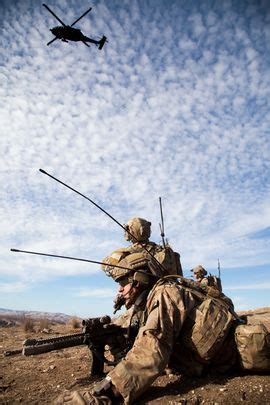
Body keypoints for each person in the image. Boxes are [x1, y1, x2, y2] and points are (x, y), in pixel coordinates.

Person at [54, 254, 240, 405]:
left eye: (122, 284)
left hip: (244, 352)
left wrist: (102, 395)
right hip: (221, 361)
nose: (119, 291)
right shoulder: (148, 303)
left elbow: (150, 350)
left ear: (139, 279)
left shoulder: (165, 293)